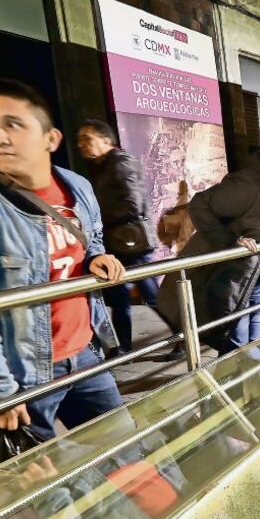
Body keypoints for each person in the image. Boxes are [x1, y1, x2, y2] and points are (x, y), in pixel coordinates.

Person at [0, 78, 126, 440]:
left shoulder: (78, 186)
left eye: (13, 124)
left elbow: (94, 237)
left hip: (86, 353)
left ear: (50, 139)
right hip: (24, 374)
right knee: (37, 471)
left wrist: (96, 256)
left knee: (127, 454)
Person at [156, 136, 260, 353]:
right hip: (237, 285)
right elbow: (200, 205)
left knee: (252, 346)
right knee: (239, 352)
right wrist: (230, 240)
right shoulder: (250, 185)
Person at [77, 119, 170, 358]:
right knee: (119, 299)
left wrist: (98, 219)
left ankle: (184, 336)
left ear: (106, 140)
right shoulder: (101, 166)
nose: (81, 144)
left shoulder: (120, 163)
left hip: (132, 243)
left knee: (152, 297)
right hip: (116, 243)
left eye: (87, 138)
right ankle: (124, 348)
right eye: (79, 140)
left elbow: (132, 205)